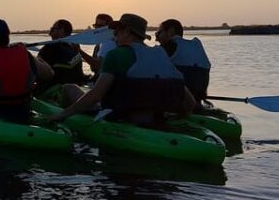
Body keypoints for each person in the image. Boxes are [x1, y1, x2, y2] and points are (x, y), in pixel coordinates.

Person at [48, 13, 195, 126]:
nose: (114, 35)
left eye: (116, 31)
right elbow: (190, 102)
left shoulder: (115, 55)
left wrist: (62, 114)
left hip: (121, 118)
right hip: (156, 117)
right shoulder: (159, 54)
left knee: (69, 87)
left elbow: (95, 96)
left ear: (127, 32)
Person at [155, 18, 211, 104]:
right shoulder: (196, 45)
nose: (156, 38)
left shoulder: (170, 46)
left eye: (159, 33)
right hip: (198, 96)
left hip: (179, 98)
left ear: (170, 31)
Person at [35, 19, 86, 92]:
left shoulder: (49, 48)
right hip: (75, 88)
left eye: (53, 29)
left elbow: (36, 70)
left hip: (53, 91)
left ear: (61, 31)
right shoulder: (75, 49)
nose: (50, 32)